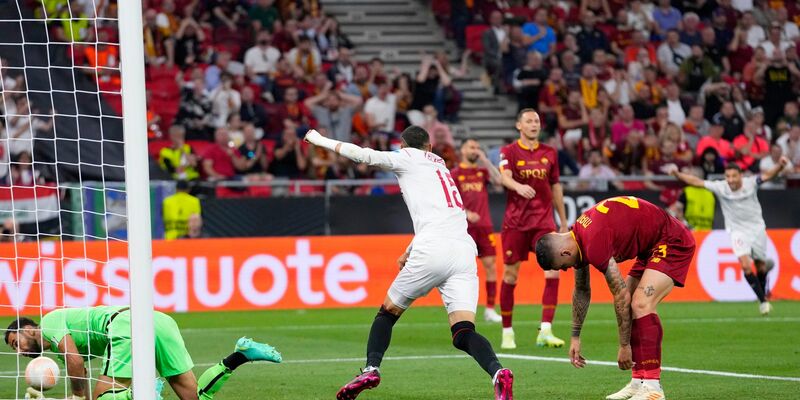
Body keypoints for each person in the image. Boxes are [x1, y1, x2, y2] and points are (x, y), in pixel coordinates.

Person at [304, 127, 513, 400]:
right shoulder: (441, 167)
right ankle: (498, 373)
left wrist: (319, 140)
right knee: (463, 332)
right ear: (429, 146)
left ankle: (371, 368)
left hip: (432, 250)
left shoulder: (406, 158)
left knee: (387, 314)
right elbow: (443, 215)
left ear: (403, 146)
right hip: (462, 251)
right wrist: (409, 249)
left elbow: (363, 155)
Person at [535, 196, 697, 400]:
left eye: (563, 266)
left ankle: (654, 388)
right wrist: (575, 336)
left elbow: (620, 295)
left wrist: (624, 346)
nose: (567, 269)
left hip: (672, 241)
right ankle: (639, 381)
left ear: (565, 252)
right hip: (649, 248)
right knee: (631, 305)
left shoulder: (593, 241)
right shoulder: (577, 236)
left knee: (640, 303)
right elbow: (582, 289)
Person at [5, 306, 281, 400]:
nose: (18, 351)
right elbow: (81, 370)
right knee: (193, 396)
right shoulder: (63, 335)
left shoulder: (50, 322)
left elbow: (75, 362)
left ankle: (146, 390)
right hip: (158, 321)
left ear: (29, 329)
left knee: (105, 398)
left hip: (126, 325)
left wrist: (79, 397)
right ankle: (241, 355)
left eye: (15, 342)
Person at [668, 158, 790, 315]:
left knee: (760, 266)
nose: (730, 180)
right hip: (737, 231)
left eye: (734, 176)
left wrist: (780, 165)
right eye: (728, 176)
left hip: (757, 228)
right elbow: (697, 182)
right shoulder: (721, 187)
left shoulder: (751, 183)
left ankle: (765, 274)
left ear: (740, 176)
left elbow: (768, 175)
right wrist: (677, 174)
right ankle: (763, 301)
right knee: (746, 266)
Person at [497, 109, 568, 350]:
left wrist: (563, 220)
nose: (534, 124)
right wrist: (518, 186)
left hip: (543, 222)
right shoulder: (508, 151)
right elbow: (503, 177)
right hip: (515, 223)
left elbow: (556, 186)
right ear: (519, 125)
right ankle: (507, 332)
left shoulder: (550, 152)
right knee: (510, 275)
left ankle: (545, 331)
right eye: (528, 121)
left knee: (553, 271)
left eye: (536, 120)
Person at [451, 139, 504, 323]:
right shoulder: (455, 174)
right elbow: (449, 201)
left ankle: (490, 309)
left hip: (484, 225)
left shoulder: (482, 172)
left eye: (478, 148)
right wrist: (465, 213)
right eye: (472, 147)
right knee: (460, 269)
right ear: (463, 150)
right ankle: (458, 308)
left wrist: (485, 160)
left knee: (491, 267)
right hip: (463, 228)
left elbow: (499, 181)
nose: (476, 150)